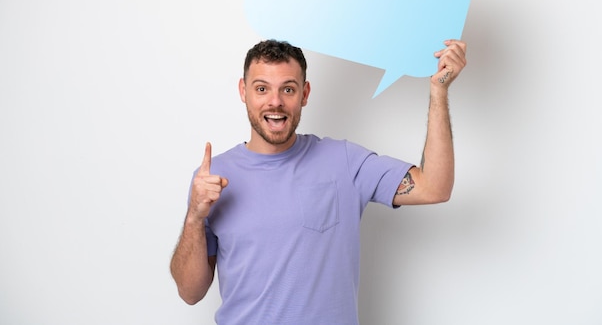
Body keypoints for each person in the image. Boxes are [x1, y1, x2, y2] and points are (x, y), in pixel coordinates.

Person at [170, 38, 467, 325]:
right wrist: (195, 217)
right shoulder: (212, 177)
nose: (275, 102)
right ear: (243, 91)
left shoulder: (344, 161)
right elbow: (190, 292)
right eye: (262, 88)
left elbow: (434, 187)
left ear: (305, 93)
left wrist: (438, 91)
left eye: (288, 89)